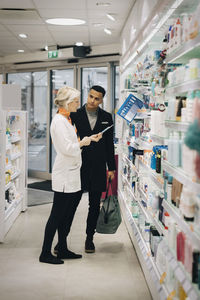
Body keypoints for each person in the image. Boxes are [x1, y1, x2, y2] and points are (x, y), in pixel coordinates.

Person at [39, 86, 101, 265]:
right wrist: (84, 142)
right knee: (56, 215)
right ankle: (45, 253)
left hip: (72, 174)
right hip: (65, 175)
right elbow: (66, 149)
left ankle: (63, 248)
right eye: (75, 101)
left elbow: (72, 144)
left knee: (66, 215)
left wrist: (87, 140)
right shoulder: (58, 121)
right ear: (67, 102)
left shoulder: (66, 120)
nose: (77, 103)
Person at [54, 85, 116, 254]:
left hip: (98, 166)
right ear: (87, 95)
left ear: (102, 100)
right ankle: (62, 242)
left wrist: (111, 168)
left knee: (94, 205)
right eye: (90, 96)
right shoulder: (74, 115)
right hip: (78, 166)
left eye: (97, 98)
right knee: (71, 205)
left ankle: (89, 238)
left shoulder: (107, 117)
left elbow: (109, 145)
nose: (92, 101)